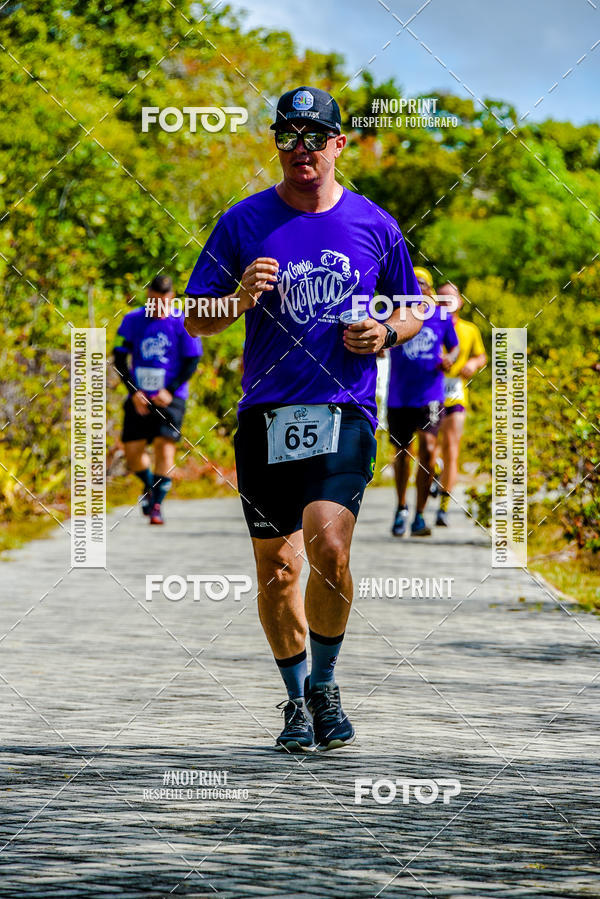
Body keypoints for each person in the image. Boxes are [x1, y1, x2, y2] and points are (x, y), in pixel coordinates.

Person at [184, 86, 424, 751]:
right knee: (277, 570)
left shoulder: (376, 225)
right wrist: (237, 299)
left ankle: (326, 683)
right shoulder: (242, 222)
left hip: (344, 409)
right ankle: (295, 701)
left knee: (329, 545)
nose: (302, 150)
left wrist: (385, 332)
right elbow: (193, 314)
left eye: (316, 136)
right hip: (265, 413)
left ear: (339, 144)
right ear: (277, 144)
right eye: (289, 136)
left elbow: (414, 307)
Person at [113, 275, 202, 525]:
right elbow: (119, 358)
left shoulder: (184, 320)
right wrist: (134, 392)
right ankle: (150, 486)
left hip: (170, 397)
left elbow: (192, 361)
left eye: (162, 302)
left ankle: (157, 506)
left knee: (165, 445)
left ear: (171, 298)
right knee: (133, 452)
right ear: (147, 296)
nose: (157, 307)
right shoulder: (132, 320)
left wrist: (170, 390)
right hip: (139, 395)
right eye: (152, 301)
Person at [387, 267, 459, 537]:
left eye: (423, 284)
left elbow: (455, 345)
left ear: (430, 289)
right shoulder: (394, 314)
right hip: (399, 395)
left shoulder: (441, 316)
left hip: (430, 394)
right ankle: (401, 507)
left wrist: (451, 358)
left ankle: (419, 514)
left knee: (429, 448)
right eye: (413, 284)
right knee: (402, 454)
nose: (419, 288)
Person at [435, 282, 487, 527]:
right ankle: (435, 471)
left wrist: (473, 365)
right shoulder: (428, 323)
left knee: (451, 448)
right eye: (441, 298)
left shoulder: (469, 329)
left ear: (460, 302)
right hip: (429, 393)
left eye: (451, 299)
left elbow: (481, 355)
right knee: (427, 449)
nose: (446, 302)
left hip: (455, 392)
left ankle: (443, 506)